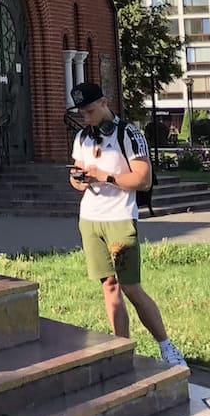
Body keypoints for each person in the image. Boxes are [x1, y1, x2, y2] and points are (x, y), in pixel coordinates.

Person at [67, 81, 187, 368]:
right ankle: (122, 349)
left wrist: (105, 177)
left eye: (91, 111)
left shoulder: (129, 134)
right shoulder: (83, 137)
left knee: (131, 287)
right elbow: (74, 177)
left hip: (120, 218)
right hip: (91, 219)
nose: (86, 117)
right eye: (82, 112)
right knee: (109, 286)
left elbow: (142, 179)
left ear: (105, 103)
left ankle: (167, 347)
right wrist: (79, 180)